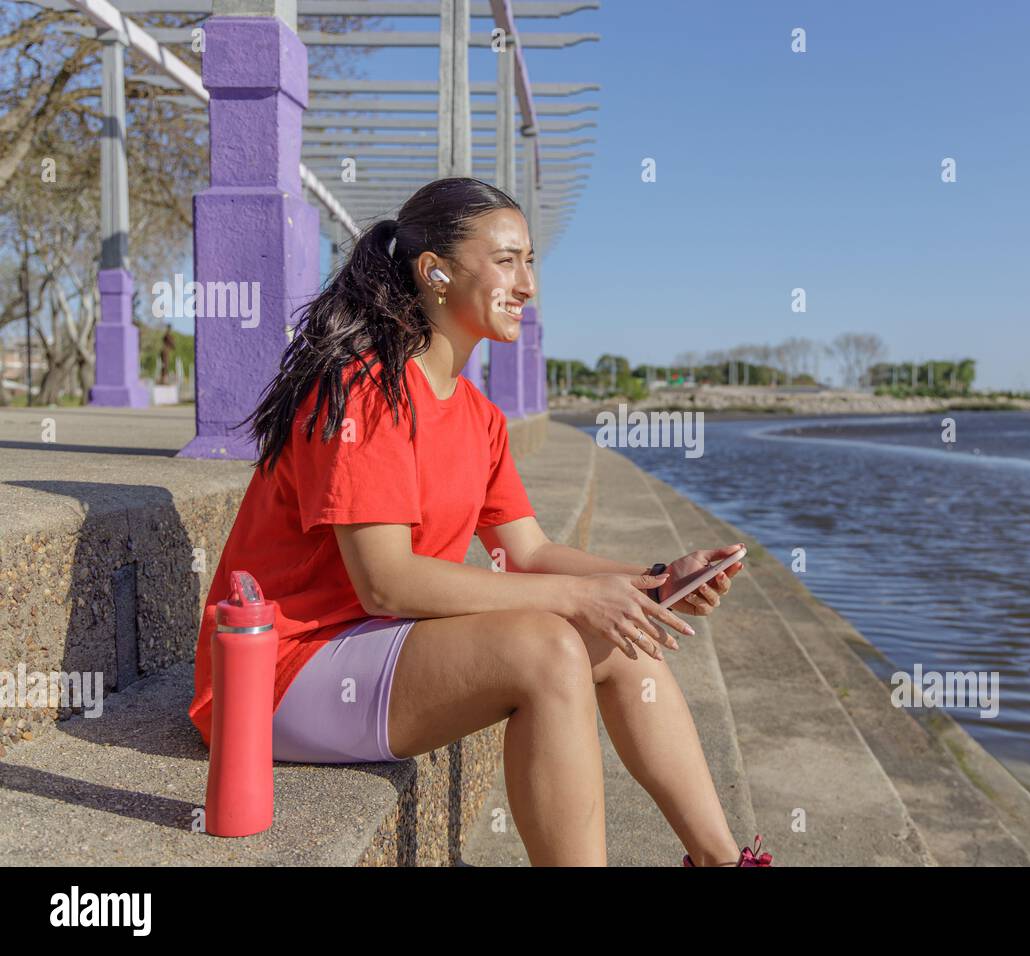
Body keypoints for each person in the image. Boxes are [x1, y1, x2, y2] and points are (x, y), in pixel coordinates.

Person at [187, 177, 766, 867]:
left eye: (530, 262)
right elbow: (388, 584)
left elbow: (528, 553)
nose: (527, 285)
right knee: (547, 649)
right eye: (507, 260)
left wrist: (658, 579)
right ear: (435, 271)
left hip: (375, 647)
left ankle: (723, 861)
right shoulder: (363, 391)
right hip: (278, 678)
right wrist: (581, 599)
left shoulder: (477, 415)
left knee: (625, 636)